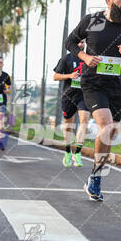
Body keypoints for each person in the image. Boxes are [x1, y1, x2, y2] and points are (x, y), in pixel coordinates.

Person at [64, 0, 121, 202]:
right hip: (93, 83)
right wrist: (84, 57)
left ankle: (94, 174)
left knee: (111, 133)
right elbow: (70, 42)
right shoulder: (92, 21)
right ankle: (98, 177)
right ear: (108, 0)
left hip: (117, 86)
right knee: (106, 124)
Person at [53, 39, 90, 167]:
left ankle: (78, 153)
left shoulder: (89, 59)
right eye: (79, 42)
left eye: (83, 42)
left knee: (85, 120)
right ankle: (68, 151)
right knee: (69, 125)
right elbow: (56, 76)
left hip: (83, 95)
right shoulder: (66, 59)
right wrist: (69, 76)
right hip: (68, 96)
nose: (81, 45)